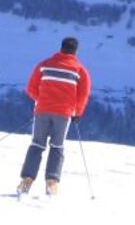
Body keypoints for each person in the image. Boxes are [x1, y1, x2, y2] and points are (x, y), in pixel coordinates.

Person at [17, 36, 91, 196]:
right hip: (63, 114)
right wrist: (77, 113)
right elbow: (83, 95)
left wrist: (42, 100)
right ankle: (52, 183)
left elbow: (30, 87)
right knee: (57, 146)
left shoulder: (44, 65)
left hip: (42, 110)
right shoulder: (80, 71)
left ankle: (26, 181)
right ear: (76, 52)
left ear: (61, 48)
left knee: (37, 144)